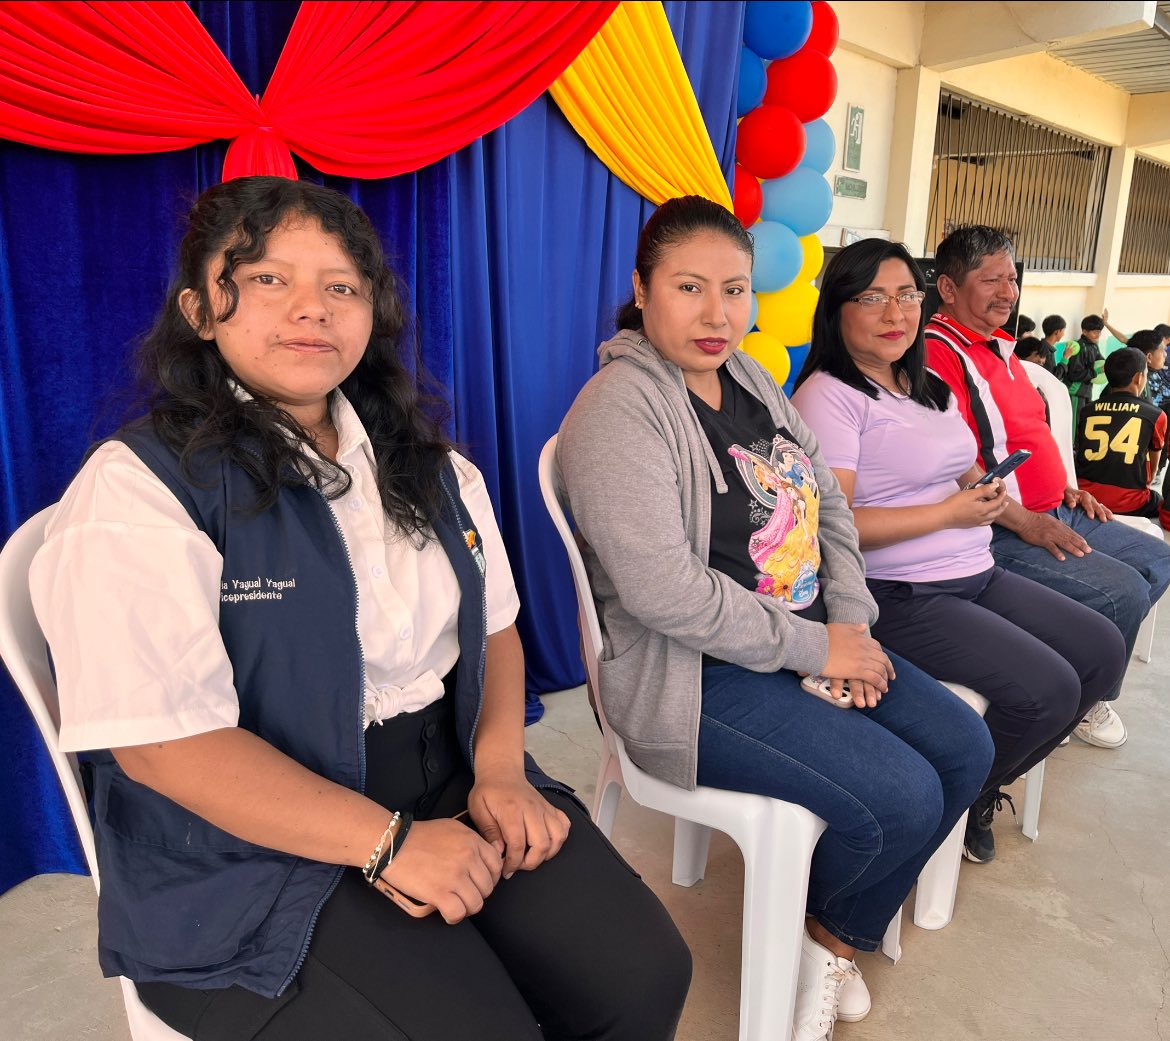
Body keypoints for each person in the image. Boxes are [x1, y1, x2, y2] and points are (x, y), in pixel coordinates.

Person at [28, 177, 690, 1041]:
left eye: (341, 285)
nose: (311, 307)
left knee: (642, 978)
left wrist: (499, 770)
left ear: (372, 313)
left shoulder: (434, 469)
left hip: (446, 774)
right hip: (240, 848)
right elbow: (161, 746)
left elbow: (494, 633)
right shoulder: (138, 491)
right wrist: (388, 842)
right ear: (199, 309)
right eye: (267, 278)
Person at [556, 197, 994, 1041]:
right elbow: (663, 592)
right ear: (642, 290)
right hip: (696, 678)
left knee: (964, 748)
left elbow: (829, 506)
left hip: (812, 639)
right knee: (902, 795)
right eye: (689, 287)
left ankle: (826, 935)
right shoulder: (618, 410)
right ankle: (831, 941)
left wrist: (851, 625)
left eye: (735, 290)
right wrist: (815, 648)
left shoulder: (753, 381)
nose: (717, 315)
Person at [791, 239, 1124, 864]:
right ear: (837, 308)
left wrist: (989, 494)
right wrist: (949, 513)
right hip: (900, 592)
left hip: (975, 571)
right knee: (1048, 690)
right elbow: (832, 526)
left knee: (1103, 650)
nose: (896, 314)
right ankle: (940, 809)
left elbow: (960, 461)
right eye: (873, 298)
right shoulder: (828, 395)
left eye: (906, 296)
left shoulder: (923, 382)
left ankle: (971, 792)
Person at [924, 225, 1170, 750]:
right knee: (1123, 592)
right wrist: (1028, 521)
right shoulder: (938, 352)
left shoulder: (1001, 348)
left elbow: (1030, 434)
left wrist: (1067, 487)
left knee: (1157, 559)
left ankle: (1084, 676)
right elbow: (957, 461)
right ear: (947, 287)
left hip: (1059, 506)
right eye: (991, 280)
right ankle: (1082, 698)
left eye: (1011, 279)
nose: (1008, 292)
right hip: (1007, 527)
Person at [1076, 347, 1170, 531]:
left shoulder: (1087, 410)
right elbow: (1153, 468)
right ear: (1138, 378)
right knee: (1157, 500)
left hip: (1085, 497)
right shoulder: (1156, 415)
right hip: (1130, 503)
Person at [1013, 336, 1077, 483]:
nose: (1039, 368)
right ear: (1020, 359)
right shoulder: (1012, 386)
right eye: (1036, 363)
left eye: (1042, 364)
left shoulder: (1044, 391)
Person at [1062, 314, 1107, 427]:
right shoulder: (1079, 347)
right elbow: (1074, 375)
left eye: (1099, 332)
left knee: (1083, 423)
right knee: (1074, 425)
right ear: (1085, 332)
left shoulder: (1094, 346)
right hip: (1076, 392)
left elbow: (1101, 361)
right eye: (1094, 332)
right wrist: (1098, 371)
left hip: (1086, 391)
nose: (1098, 335)